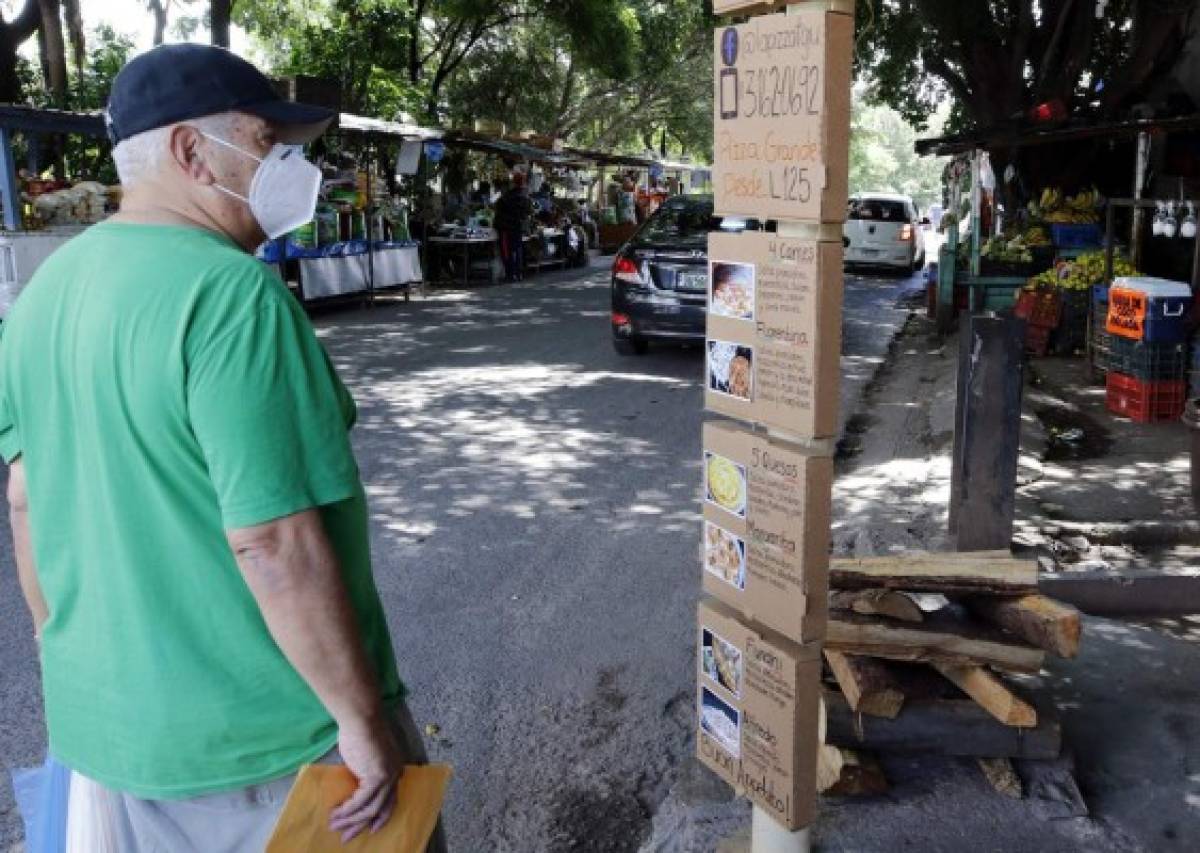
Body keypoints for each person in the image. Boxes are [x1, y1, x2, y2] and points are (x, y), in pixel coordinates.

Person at [0, 44, 445, 852]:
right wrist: (360, 719)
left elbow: (24, 495)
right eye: (268, 141)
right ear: (189, 150)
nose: (286, 164)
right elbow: (272, 541)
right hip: (271, 752)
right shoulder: (232, 294)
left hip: (103, 739)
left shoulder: (43, 296)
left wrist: (67, 653)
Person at [493, 171, 533, 282]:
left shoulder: (507, 196)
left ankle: (510, 274)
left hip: (506, 227)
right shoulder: (525, 197)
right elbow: (528, 212)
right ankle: (518, 273)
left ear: (513, 182)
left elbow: (497, 208)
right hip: (518, 227)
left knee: (507, 251)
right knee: (517, 249)